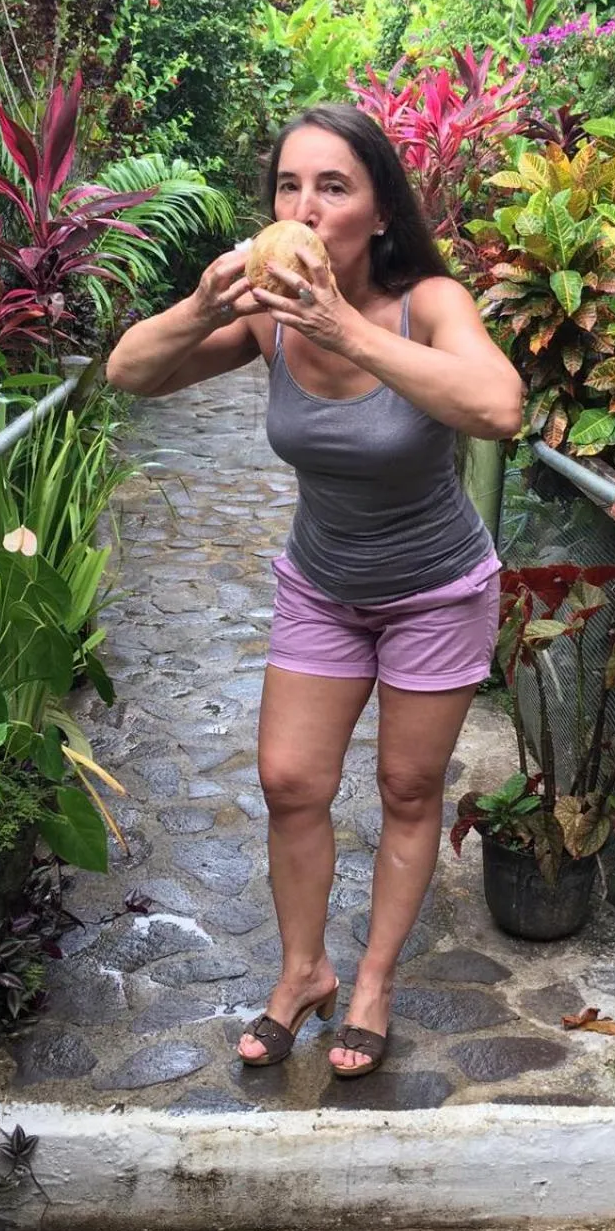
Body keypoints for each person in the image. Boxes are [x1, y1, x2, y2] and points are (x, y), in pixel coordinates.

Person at [106, 104, 524, 1077]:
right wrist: (207, 304)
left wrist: (346, 325)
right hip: (323, 584)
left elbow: (499, 406)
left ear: (378, 211)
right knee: (291, 782)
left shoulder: (429, 302)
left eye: (332, 186)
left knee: (409, 789)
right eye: (290, 187)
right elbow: (130, 373)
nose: (306, 206)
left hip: (436, 588)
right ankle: (302, 974)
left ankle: (372, 980)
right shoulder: (266, 318)